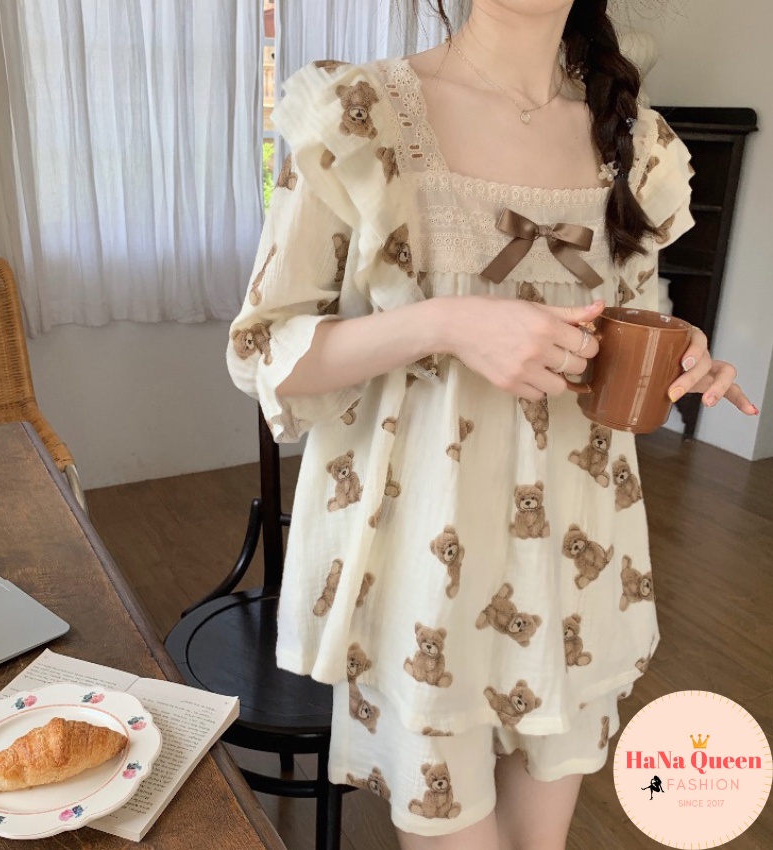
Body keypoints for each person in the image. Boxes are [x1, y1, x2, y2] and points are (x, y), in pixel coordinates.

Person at [226, 1, 756, 847]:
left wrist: (681, 350)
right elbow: (263, 350)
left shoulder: (637, 141)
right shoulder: (360, 114)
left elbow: (626, 321)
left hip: (577, 562)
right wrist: (446, 322)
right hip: (423, 573)